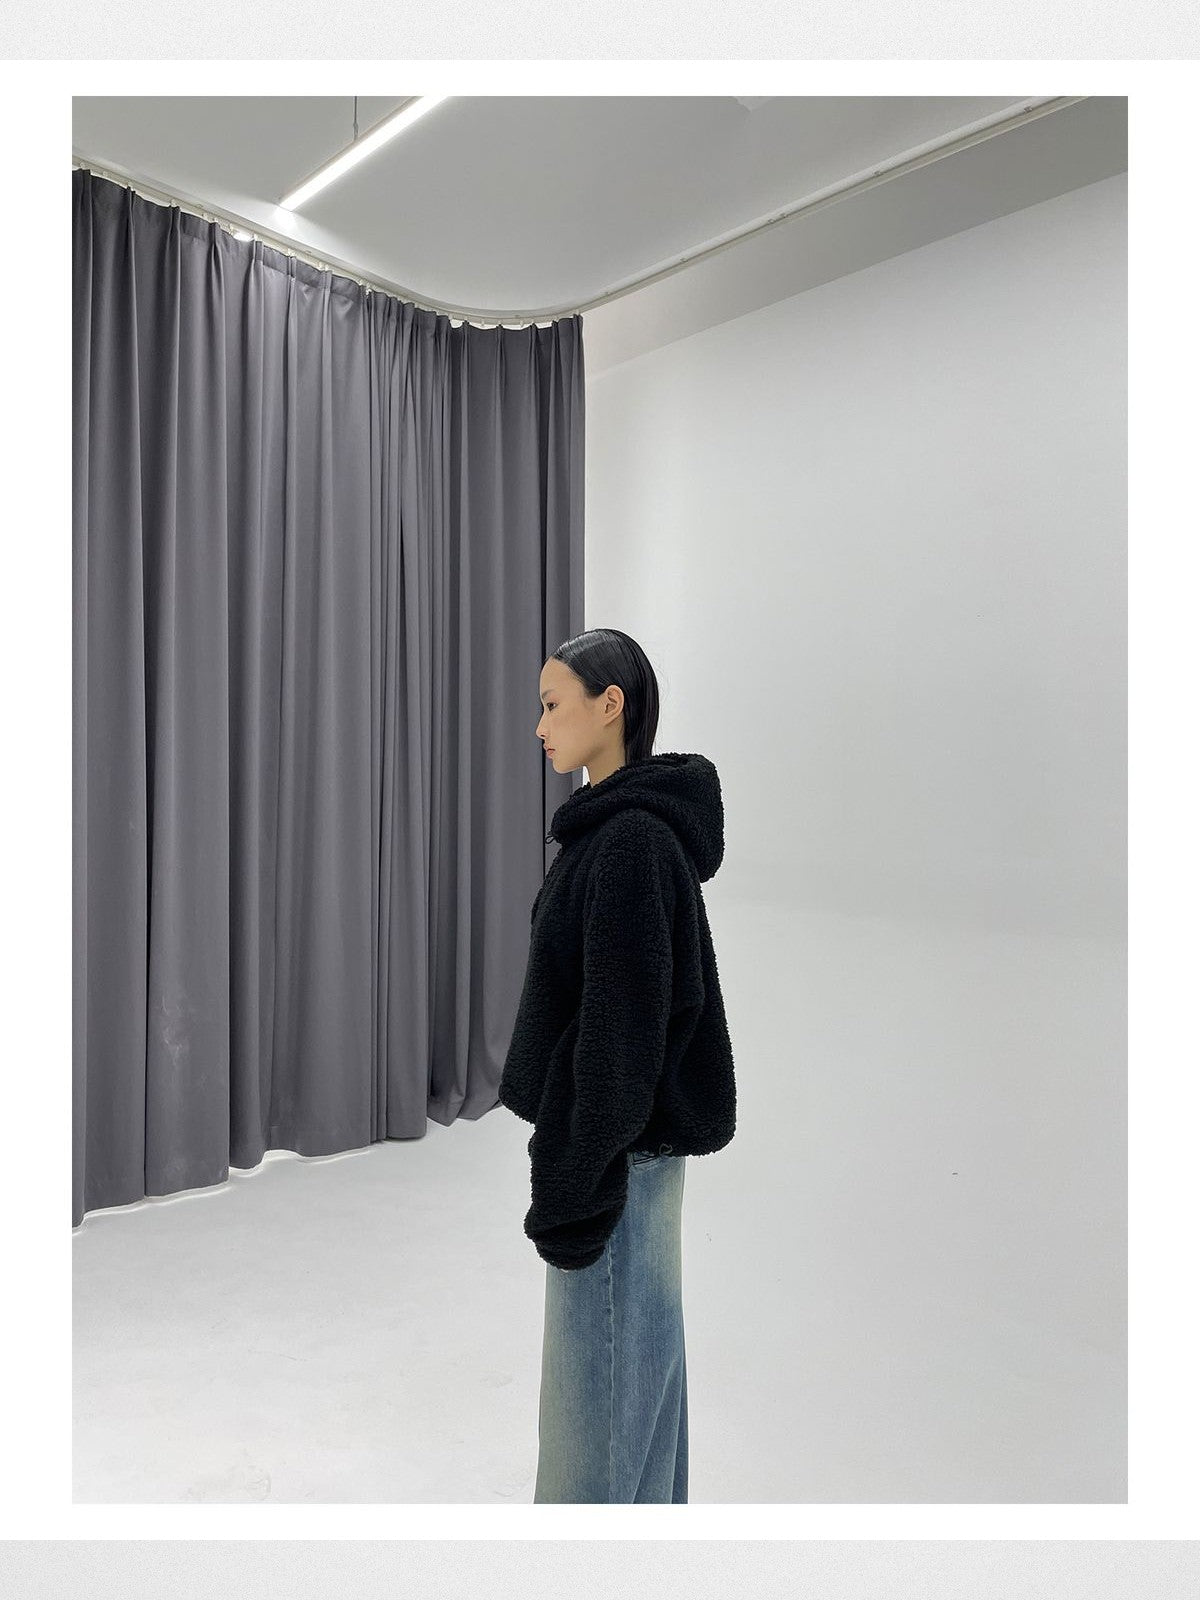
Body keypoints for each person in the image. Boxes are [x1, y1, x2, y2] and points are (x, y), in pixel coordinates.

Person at [497, 626, 737, 1503]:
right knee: (642, 1384)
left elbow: (621, 1032)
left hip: (614, 1160)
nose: (539, 727)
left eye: (552, 704)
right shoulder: (617, 833)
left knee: (593, 1416)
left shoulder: (630, 841)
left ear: (610, 706)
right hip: (634, 1153)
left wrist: (572, 1177)